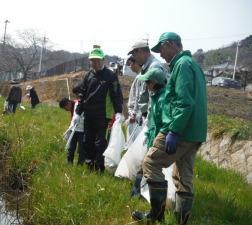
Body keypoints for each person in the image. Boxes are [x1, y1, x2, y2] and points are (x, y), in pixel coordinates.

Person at [132, 32, 207, 225]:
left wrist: (173, 131)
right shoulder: (194, 66)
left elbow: (184, 102)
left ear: (170, 45)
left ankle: (156, 216)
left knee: (151, 162)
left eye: (161, 50)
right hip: (195, 132)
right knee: (183, 175)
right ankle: (181, 221)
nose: (161, 55)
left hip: (181, 128)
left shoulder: (182, 65)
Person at [127, 41, 168, 197]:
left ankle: (141, 193)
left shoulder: (155, 68)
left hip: (153, 121)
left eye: (135, 54)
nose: (134, 59)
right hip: (147, 120)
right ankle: (141, 192)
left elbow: (157, 99)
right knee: (145, 159)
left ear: (143, 52)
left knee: (148, 160)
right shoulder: (146, 68)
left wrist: (149, 123)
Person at [75, 46, 124, 172]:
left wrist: (118, 111)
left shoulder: (110, 75)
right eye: (93, 61)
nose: (95, 63)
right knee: (87, 140)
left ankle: (99, 166)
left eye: (98, 60)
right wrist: (78, 112)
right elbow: (82, 94)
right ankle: (89, 164)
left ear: (103, 60)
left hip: (103, 114)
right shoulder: (88, 75)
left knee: (100, 141)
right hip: (88, 113)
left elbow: (116, 93)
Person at [59, 96, 85, 165]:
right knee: (71, 147)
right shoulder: (72, 106)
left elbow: (79, 118)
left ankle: (80, 165)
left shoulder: (78, 104)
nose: (66, 110)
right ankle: (69, 163)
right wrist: (69, 129)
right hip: (74, 129)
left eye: (65, 108)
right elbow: (73, 120)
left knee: (81, 149)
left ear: (68, 103)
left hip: (82, 130)